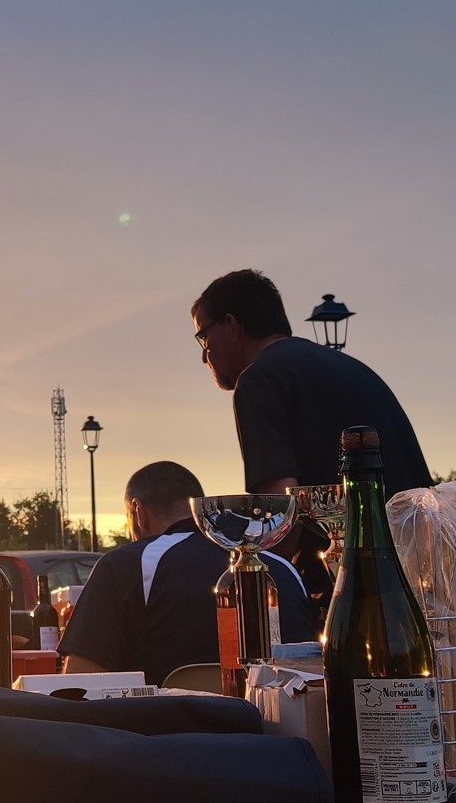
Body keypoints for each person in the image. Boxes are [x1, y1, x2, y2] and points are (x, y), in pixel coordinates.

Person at [191, 269, 434, 608]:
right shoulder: (350, 368)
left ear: (231, 326)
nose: (204, 355)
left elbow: (279, 521)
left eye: (203, 338)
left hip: (352, 592)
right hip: (426, 572)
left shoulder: (259, 380)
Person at [59, 461, 318, 685]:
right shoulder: (283, 568)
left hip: (165, 738)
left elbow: (81, 684)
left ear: (138, 512)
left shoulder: (124, 565)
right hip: (280, 736)